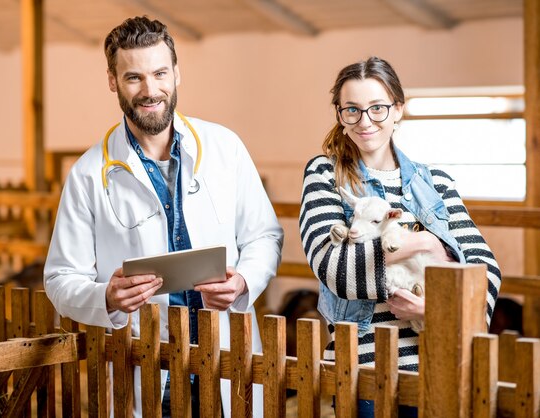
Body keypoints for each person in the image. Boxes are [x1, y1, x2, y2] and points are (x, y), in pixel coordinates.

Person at [44, 16, 283, 417]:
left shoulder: (226, 147)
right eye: (134, 77)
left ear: (177, 72)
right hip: (149, 364)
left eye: (160, 73)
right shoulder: (88, 174)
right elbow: (60, 278)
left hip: (225, 354)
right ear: (112, 81)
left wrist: (243, 280)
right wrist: (105, 296)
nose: (150, 90)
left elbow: (265, 236)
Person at [298, 57, 501, 417]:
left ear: (398, 111)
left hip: (437, 357)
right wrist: (423, 243)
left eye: (377, 108)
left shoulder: (435, 182)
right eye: (353, 110)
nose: (365, 121)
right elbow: (333, 268)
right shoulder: (325, 175)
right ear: (340, 115)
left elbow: (485, 268)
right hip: (365, 365)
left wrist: (435, 310)